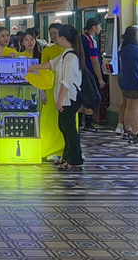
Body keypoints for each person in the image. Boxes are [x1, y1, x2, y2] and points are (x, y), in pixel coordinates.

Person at [29, 24, 84, 171]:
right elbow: (51, 64)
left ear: (63, 38)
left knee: (69, 129)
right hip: (65, 98)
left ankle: (75, 159)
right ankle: (67, 156)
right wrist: (35, 67)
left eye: (57, 35)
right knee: (64, 127)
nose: (55, 38)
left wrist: (60, 100)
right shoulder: (65, 54)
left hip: (69, 99)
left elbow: (68, 80)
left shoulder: (71, 57)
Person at [38, 23, 66, 162]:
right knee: (50, 120)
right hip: (51, 88)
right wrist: (42, 90)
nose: (53, 36)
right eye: (51, 34)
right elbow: (43, 72)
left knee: (67, 121)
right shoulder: (47, 52)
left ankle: (66, 149)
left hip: (67, 90)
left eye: (55, 33)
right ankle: (49, 149)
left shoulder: (69, 51)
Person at [80, 18, 105, 132]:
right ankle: (88, 124)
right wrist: (100, 78)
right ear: (93, 27)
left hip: (79, 72)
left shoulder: (81, 38)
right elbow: (94, 61)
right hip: (88, 73)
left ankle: (79, 122)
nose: (100, 28)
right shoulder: (90, 41)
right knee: (89, 96)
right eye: (99, 26)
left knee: (80, 97)